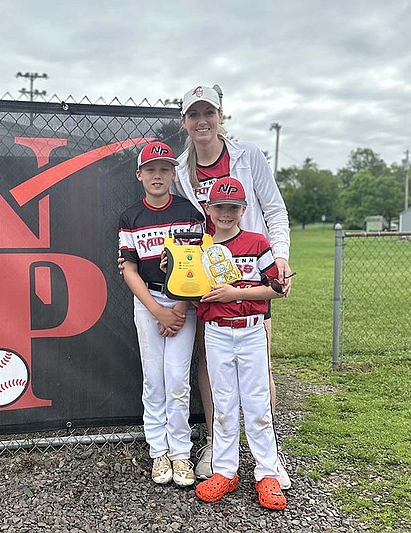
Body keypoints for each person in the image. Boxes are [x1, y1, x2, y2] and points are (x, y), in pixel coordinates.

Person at [173, 85, 292, 486]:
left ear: (222, 115)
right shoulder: (178, 170)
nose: (202, 120)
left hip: (252, 271)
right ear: (185, 122)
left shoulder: (249, 155)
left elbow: (274, 208)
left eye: (209, 112)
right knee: (211, 362)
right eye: (194, 114)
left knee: (261, 362)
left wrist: (280, 257)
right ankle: (217, 445)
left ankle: (269, 457)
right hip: (208, 277)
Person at [193, 176, 288, 511]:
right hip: (217, 331)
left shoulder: (257, 242)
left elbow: (276, 288)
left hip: (250, 330)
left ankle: (267, 473)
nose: (226, 214)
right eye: (220, 207)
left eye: (233, 208)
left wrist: (237, 293)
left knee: (258, 403)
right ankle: (225, 470)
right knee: (224, 403)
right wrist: (172, 265)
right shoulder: (201, 248)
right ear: (209, 208)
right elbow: (185, 284)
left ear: (243, 209)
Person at [118, 141, 204, 488]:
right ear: (139, 175)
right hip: (149, 301)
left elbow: (196, 266)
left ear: (174, 173)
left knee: (178, 380)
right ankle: (159, 451)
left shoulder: (188, 213)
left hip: (184, 304)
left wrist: (179, 309)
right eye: (151, 169)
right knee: (154, 378)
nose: (158, 175)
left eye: (164, 169)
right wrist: (157, 310)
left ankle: (181, 452)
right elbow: (129, 269)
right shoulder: (130, 217)